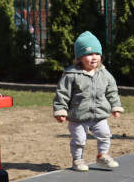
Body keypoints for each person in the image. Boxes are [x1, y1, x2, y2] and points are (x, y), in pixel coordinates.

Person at [52, 31, 123, 172]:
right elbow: (62, 93)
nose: (94, 57)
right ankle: (77, 160)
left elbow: (112, 91)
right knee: (79, 140)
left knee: (105, 135)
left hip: (99, 115)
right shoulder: (71, 75)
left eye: (97, 54)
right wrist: (60, 110)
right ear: (79, 57)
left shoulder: (104, 74)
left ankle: (102, 155)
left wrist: (115, 106)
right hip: (78, 116)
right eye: (89, 54)